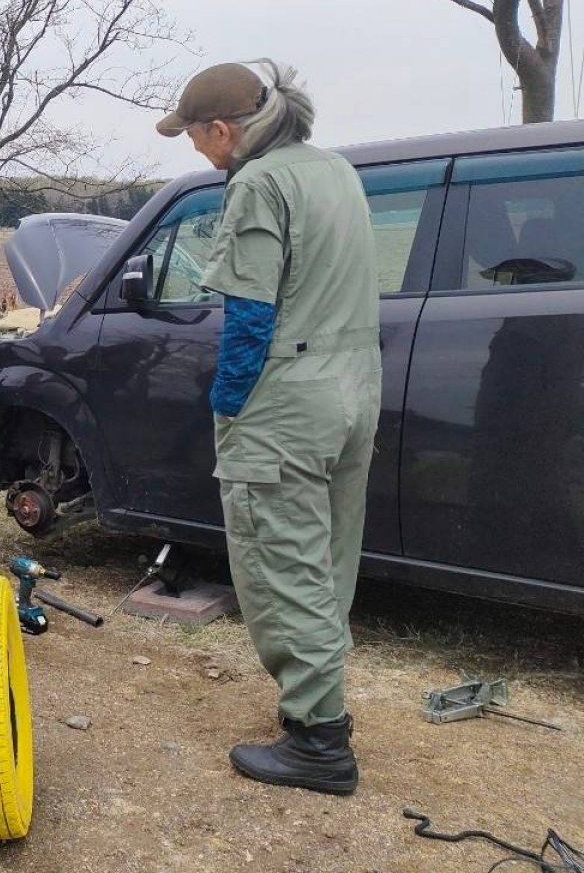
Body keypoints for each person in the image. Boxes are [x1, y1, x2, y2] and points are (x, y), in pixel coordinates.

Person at [157, 61, 380, 796]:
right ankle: (323, 707)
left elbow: (250, 316)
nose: (195, 149)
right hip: (354, 387)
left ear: (222, 130)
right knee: (329, 560)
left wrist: (227, 405)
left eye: (193, 136)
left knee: (283, 565)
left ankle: (318, 742)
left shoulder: (257, 183)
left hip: (288, 400)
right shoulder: (333, 169)